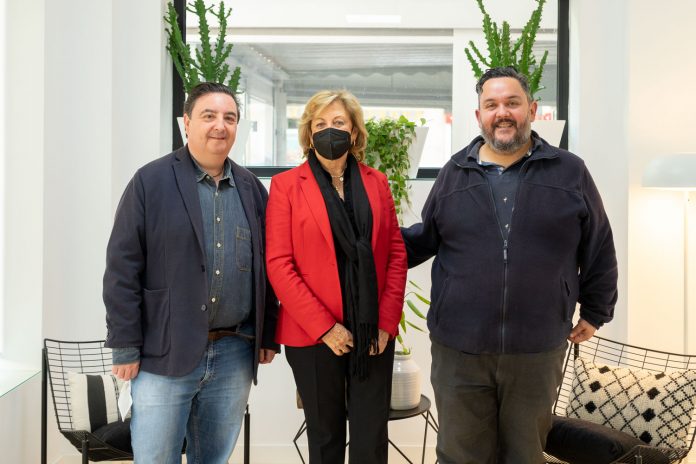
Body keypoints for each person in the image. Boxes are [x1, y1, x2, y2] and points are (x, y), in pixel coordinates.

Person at [402, 67, 618, 464]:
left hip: (537, 347)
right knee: (460, 456)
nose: (502, 113)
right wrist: (362, 238)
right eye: (492, 105)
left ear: (532, 110)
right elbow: (423, 239)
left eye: (512, 103)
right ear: (479, 115)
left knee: (525, 455)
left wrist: (596, 310)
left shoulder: (570, 171)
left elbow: (599, 244)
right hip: (459, 348)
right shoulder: (454, 172)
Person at [103, 82, 279, 464]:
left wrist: (267, 334)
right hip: (164, 352)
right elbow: (122, 268)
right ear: (186, 122)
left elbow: (268, 268)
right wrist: (125, 345)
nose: (220, 125)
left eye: (229, 117)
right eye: (208, 116)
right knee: (155, 458)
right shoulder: (150, 182)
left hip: (234, 352)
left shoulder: (251, 189)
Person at [265, 89, 407, 464]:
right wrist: (326, 328)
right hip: (313, 336)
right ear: (309, 133)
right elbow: (279, 264)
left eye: (339, 122)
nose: (330, 130)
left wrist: (385, 323)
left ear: (354, 132)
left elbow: (395, 254)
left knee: (370, 438)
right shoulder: (286, 186)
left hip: (372, 332)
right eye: (321, 123)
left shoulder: (378, 182)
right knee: (325, 438)